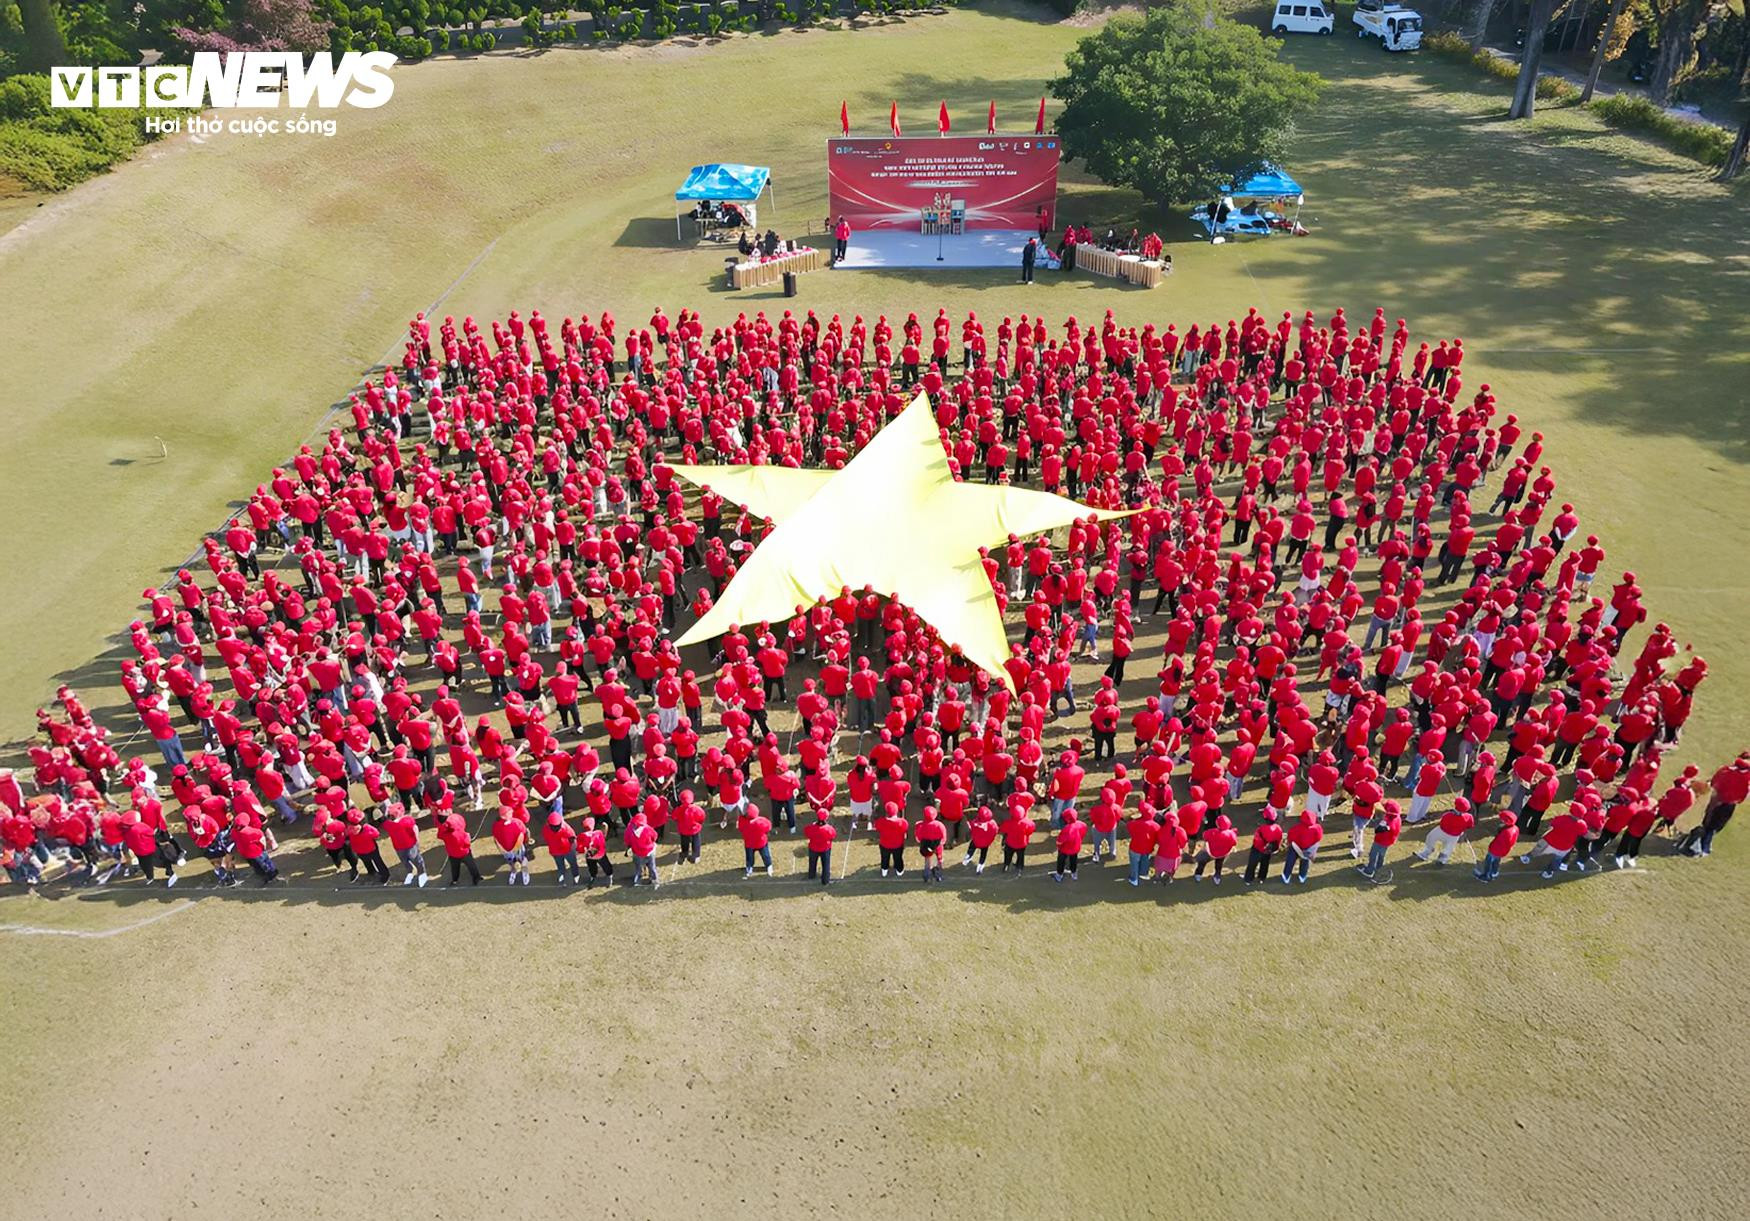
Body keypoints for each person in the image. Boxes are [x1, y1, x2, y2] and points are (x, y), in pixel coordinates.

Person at [1473, 810, 1519, 882]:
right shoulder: (1515, 828)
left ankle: (1486, 876)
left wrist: (1491, 848)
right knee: (1496, 861)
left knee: (1488, 862)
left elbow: (1497, 843)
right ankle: (1494, 872)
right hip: (1502, 851)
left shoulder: (1506, 833)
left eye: (1502, 820)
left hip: (1495, 851)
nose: (1501, 820)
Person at [438, 813, 481, 886]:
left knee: (454, 868)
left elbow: (439, 835)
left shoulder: (444, 833)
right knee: (471, 865)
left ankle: (455, 880)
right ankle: (476, 878)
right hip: (464, 852)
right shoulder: (458, 833)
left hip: (452, 854)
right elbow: (466, 842)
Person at [874, 800, 909, 877]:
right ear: (896, 812)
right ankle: (899, 871)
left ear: (886, 812)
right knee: (898, 858)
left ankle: (884, 870)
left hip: (884, 845)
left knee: (884, 858)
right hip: (898, 845)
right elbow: (905, 830)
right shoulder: (903, 822)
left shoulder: (880, 822)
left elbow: (876, 827)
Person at [738, 804, 774, 877]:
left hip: (749, 844)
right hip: (761, 843)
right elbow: (769, 827)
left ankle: (749, 868)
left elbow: (740, 828)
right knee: (766, 855)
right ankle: (769, 866)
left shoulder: (742, 821)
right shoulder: (761, 821)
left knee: (749, 857)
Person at [1051, 808, 1086, 881]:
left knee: (1061, 861)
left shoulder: (1066, 829)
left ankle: (1059, 875)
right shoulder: (1081, 824)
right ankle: (1074, 874)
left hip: (1065, 849)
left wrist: (1058, 846)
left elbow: (1059, 841)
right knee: (1074, 860)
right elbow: (1083, 832)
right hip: (1076, 847)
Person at [803, 808, 836, 884]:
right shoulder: (828, 829)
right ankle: (825, 880)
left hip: (813, 848)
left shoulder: (811, 827)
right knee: (825, 865)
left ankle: (811, 875)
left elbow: (806, 832)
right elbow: (833, 835)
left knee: (812, 862)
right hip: (825, 849)